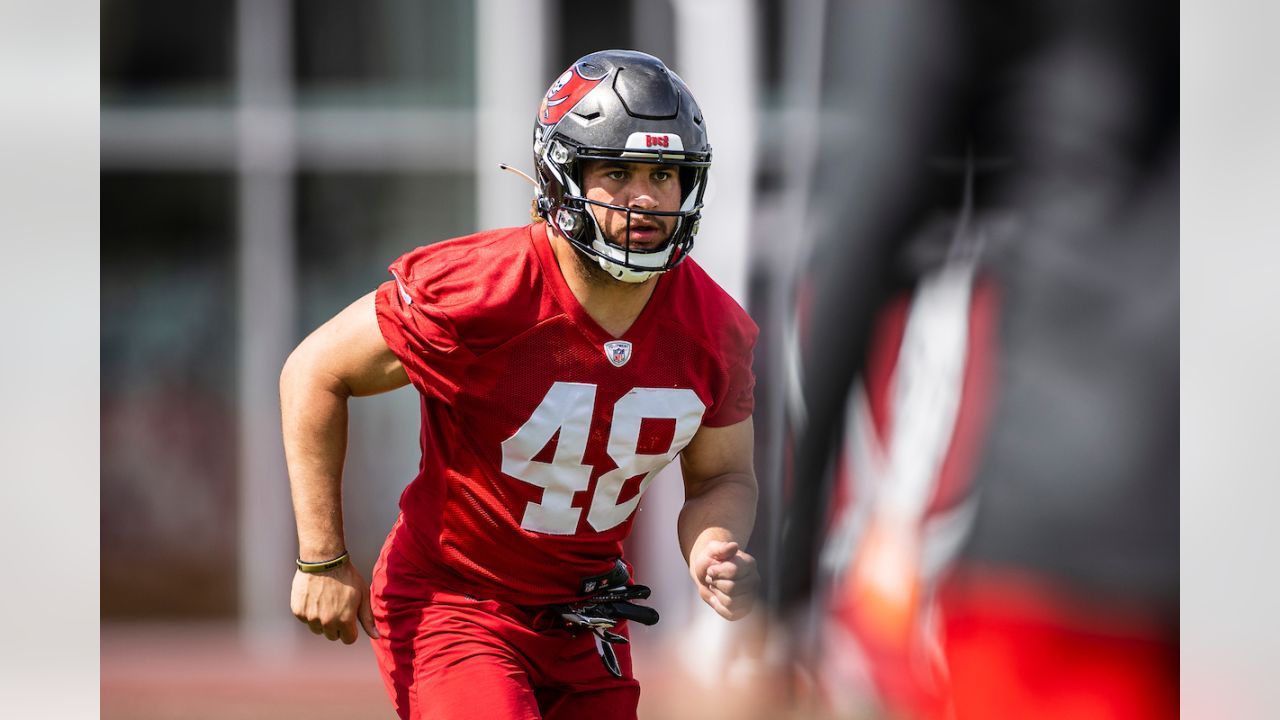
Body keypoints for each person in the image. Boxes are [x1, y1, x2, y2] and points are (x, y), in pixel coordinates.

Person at [280, 49, 760, 720]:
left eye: (664, 173)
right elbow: (315, 370)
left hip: (587, 618)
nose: (647, 197)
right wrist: (322, 558)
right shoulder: (486, 291)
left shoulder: (714, 330)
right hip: (458, 602)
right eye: (618, 172)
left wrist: (712, 543)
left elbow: (721, 477)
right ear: (564, 176)